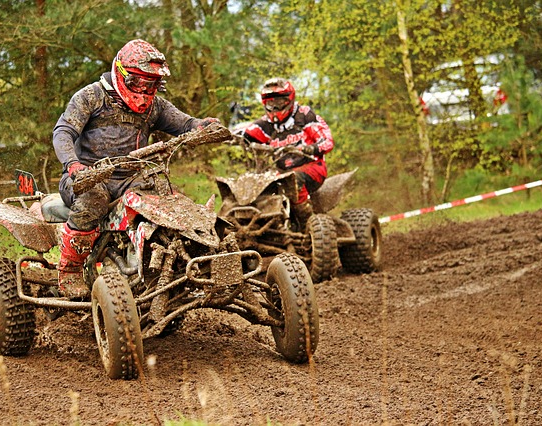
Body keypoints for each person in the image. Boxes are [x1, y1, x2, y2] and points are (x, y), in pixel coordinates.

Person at [53, 39, 218, 298]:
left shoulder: (156, 106)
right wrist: (73, 164)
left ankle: (174, 262)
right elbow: (63, 131)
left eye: (151, 84)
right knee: (92, 202)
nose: (143, 90)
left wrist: (201, 125)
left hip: (133, 178)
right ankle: (70, 269)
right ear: (120, 72)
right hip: (88, 177)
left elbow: (185, 123)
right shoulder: (90, 96)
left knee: (166, 196)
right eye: (137, 82)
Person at [243, 77, 334, 226]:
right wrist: (229, 138)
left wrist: (313, 148)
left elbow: (328, 140)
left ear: (289, 100)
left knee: (293, 179)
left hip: (312, 166)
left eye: (279, 102)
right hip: (281, 172)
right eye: (270, 102)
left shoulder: (305, 115)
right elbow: (244, 134)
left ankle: (309, 224)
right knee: (258, 185)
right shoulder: (264, 124)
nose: (274, 107)